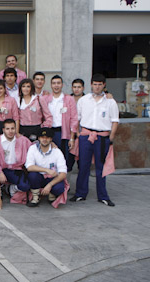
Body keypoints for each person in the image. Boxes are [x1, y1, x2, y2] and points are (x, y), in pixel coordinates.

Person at [71, 74, 119, 207]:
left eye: (100, 84)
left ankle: (103, 196)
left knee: (100, 167)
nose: (97, 87)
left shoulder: (110, 102)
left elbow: (115, 121)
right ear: (91, 85)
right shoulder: (84, 100)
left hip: (102, 137)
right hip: (85, 135)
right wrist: (78, 134)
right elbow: (77, 118)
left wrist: (111, 137)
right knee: (83, 165)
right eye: (95, 84)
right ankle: (80, 193)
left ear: (104, 85)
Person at [24, 129, 68, 207]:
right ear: (38, 138)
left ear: (51, 139)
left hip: (51, 178)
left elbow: (63, 173)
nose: (44, 139)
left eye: (47, 137)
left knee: (59, 188)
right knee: (32, 175)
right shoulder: (33, 148)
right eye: (42, 137)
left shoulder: (57, 151)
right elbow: (29, 167)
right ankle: (35, 196)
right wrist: (46, 170)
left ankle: (51, 195)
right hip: (39, 177)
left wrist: (50, 185)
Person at [42, 75, 78, 171]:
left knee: (63, 158)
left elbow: (74, 119)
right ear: (51, 85)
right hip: (49, 132)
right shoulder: (45, 99)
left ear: (62, 85)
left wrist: (72, 138)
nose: (56, 85)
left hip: (63, 132)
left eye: (58, 83)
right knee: (48, 157)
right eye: (54, 83)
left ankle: (63, 179)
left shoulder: (69, 99)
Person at [0, 119, 32, 199]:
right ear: (3, 130)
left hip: (16, 169)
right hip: (2, 169)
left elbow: (34, 149)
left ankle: (10, 188)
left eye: (12, 128)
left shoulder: (23, 140)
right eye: (7, 129)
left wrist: (51, 143)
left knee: (25, 186)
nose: (10, 131)